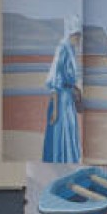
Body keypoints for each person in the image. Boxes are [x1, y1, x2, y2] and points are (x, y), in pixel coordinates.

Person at [42, 16, 83, 164]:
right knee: (61, 135)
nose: (79, 38)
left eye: (79, 35)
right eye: (76, 35)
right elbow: (55, 79)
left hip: (68, 100)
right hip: (60, 100)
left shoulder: (71, 49)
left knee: (70, 134)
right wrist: (54, 110)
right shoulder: (62, 49)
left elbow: (69, 78)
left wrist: (76, 90)